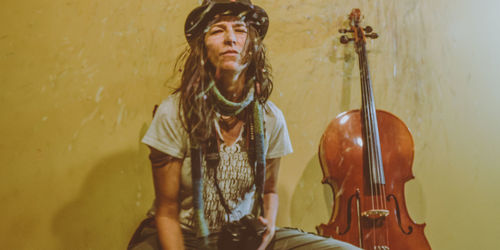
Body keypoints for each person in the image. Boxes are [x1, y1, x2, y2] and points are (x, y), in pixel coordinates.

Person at [128, 0, 361, 249]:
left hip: (241, 236)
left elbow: (270, 191)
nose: (230, 38)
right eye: (218, 30)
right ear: (202, 50)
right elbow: (167, 211)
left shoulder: (270, 117)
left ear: (252, 47)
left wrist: (268, 228)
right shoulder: (175, 113)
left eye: (240, 30)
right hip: (185, 235)